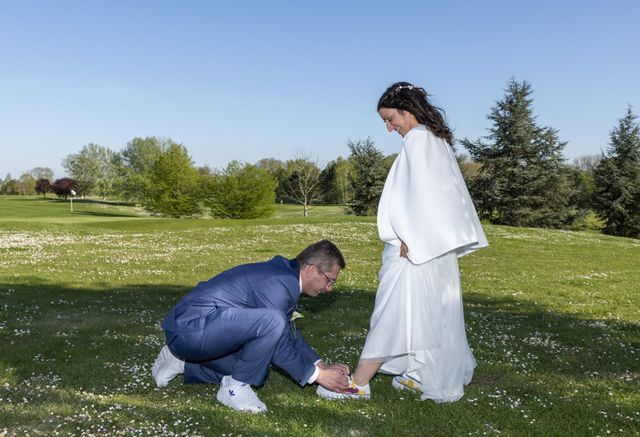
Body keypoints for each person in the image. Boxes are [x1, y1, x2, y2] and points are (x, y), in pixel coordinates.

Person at [318, 82, 488, 403]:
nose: (389, 126)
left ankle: (360, 383)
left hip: (413, 247)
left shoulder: (418, 141)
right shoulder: (434, 141)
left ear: (407, 110)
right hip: (427, 245)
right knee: (426, 310)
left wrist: (412, 237)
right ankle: (419, 373)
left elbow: (424, 196)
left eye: (390, 117)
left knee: (391, 312)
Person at [152, 240, 350, 413]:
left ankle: (182, 362)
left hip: (199, 329)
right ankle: (234, 389)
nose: (329, 288)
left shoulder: (285, 276)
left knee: (257, 367)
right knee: (272, 322)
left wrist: (319, 364)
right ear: (311, 269)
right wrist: (319, 376)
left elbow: (287, 333)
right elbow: (279, 338)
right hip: (190, 329)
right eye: (329, 280)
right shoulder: (279, 281)